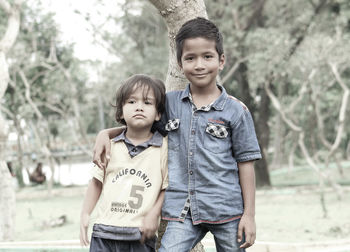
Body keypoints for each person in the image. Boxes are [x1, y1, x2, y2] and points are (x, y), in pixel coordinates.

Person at [93, 17, 261, 252]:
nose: (199, 64)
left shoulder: (236, 111)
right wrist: (106, 133)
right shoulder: (169, 104)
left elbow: (246, 164)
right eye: (190, 58)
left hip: (227, 209)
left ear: (221, 60)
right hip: (182, 211)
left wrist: (249, 215)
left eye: (207, 56)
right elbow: (140, 126)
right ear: (180, 64)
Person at [80, 74, 168, 252]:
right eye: (132, 102)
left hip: (140, 235)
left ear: (158, 113)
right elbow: (96, 182)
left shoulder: (164, 148)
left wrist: (154, 214)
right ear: (120, 111)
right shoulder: (109, 145)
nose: (139, 107)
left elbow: (168, 187)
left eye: (147, 103)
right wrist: (85, 213)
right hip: (104, 233)